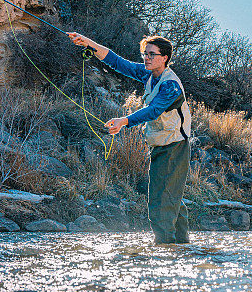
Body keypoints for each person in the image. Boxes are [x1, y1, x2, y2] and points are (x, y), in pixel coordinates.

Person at [67, 32, 192, 244]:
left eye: (152, 54)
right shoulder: (149, 74)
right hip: (162, 146)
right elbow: (117, 62)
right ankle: (181, 249)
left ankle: (165, 250)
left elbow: (153, 111)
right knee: (173, 199)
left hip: (174, 147)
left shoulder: (171, 86)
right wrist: (88, 42)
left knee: (161, 202)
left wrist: (123, 121)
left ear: (165, 58)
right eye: (145, 54)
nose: (147, 58)